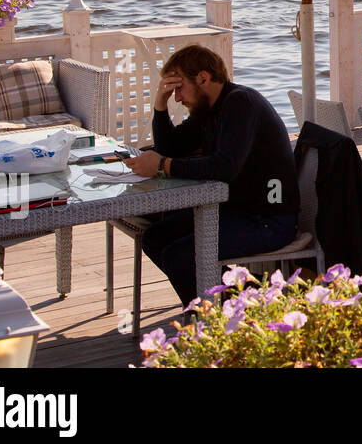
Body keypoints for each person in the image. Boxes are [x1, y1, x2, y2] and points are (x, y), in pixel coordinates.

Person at [126, 44, 300, 308]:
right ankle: (247, 304)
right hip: (235, 210)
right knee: (154, 237)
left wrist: (163, 166)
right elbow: (171, 147)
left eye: (178, 87)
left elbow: (224, 167)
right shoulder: (210, 109)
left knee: (179, 255)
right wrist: (159, 106)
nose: (177, 97)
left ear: (203, 78)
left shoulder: (241, 103)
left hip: (268, 219)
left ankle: (217, 316)